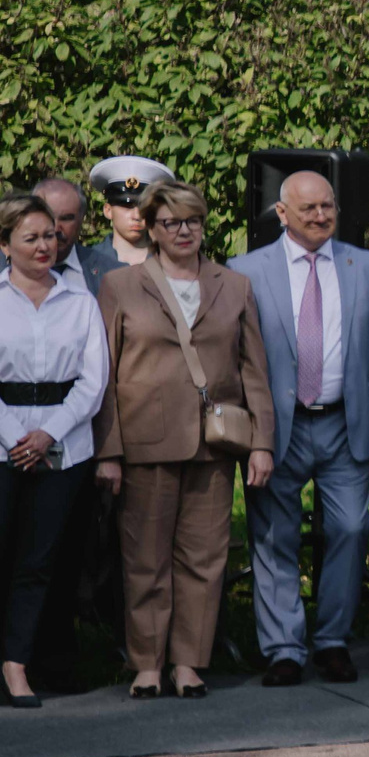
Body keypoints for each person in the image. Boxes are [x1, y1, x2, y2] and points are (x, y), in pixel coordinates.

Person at [95, 180, 276, 701]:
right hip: (145, 445)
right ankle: (147, 665)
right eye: (171, 222)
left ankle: (189, 664)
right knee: (145, 560)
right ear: (150, 229)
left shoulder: (234, 285)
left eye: (192, 221)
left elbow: (254, 370)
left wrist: (261, 442)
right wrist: (107, 451)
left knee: (205, 558)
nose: (184, 231)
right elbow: (103, 374)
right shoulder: (120, 287)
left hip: (216, 444)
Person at [234, 170, 369, 686]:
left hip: (342, 423)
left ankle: (331, 641)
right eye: (309, 209)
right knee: (274, 534)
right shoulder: (245, 271)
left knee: (351, 528)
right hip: (277, 427)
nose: (322, 216)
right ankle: (284, 647)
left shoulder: (366, 266)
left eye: (328, 206)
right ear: (282, 213)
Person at [0, 193, 108, 706]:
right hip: (4, 444)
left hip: (64, 447)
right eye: (31, 238)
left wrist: (49, 435)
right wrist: (17, 439)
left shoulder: (81, 303)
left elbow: (93, 381)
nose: (45, 245)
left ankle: (19, 665)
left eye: (50, 235)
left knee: (39, 563)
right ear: (5, 245)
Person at [79, 155, 167, 286]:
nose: (136, 215)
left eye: (143, 207)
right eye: (127, 207)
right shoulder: (85, 264)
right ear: (108, 211)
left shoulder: (171, 262)